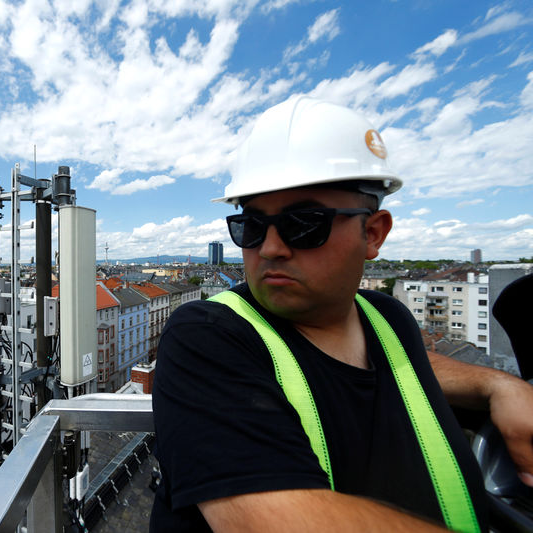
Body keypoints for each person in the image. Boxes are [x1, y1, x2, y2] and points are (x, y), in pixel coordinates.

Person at [150, 96, 533, 532]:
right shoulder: (208, 333)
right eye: (251, 226)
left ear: (373, 233)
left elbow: (400, 368)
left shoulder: (389, 319)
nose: (271, 247)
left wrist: (497, 384)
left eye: (305, 223)